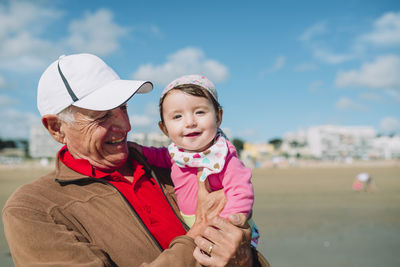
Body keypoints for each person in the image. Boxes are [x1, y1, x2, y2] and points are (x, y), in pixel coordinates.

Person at [2, 53, 268, 267]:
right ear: (56, 128)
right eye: (102, 115)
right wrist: (196, 235)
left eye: (124, 108)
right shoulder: (33, 209)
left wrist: (243, 258)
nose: (125, 125)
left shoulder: (174, 164)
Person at [136, 74, 259, 248]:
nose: (190, 122)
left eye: (200, 112)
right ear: (164, 128)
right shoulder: (176, 154)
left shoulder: (223, 156)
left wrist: (229, 223)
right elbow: (159, 155)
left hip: (225, 229)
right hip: (191, 225)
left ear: (218, 117)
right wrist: (138, 150)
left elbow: (241, 191)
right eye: (177, 116)